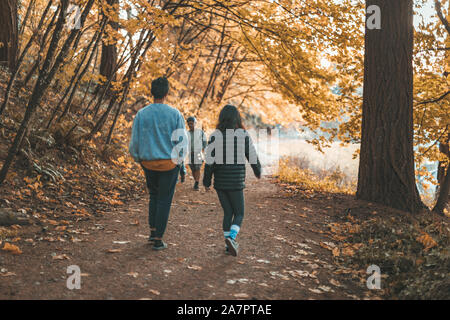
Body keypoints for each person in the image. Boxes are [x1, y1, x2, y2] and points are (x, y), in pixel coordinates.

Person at [129, 77, 188, 250]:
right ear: (167, 93)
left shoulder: (142, 114)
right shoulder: (175, 114)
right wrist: (179, 161)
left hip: (148, 163)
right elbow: (182, 143)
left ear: (152, 92)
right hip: (169, 164)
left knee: (153, 196)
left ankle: (153, 232)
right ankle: (158, 239)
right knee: (164, 199)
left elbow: (134, 142)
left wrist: (138, 158)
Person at [203, 105, 262, 256]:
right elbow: (252, 156)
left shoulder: (215, 136)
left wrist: (206, 181)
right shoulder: (242, 134)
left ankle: (228, 245)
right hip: (235, 182)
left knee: (228, 213)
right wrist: (258, 171)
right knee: (240, 213)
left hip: (220, 183)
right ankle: (232, 238)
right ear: (237, 118)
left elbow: (209, 162)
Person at [186, 116, 207, 191]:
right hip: (190, 154)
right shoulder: (186, 133)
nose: (190, 125)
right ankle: (196, 181)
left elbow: (205, 142)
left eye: (191, 123)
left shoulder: (200, 132)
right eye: (189, 124)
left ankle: (196, 183)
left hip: (198, 153)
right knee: (193, 169)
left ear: (195, 123)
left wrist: (204, 150)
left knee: (197, 168)